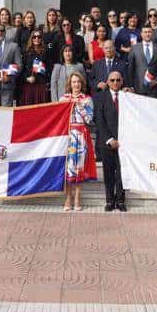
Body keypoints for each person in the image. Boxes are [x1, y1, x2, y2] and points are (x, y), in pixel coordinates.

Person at [62, 71, 96, 211]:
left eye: (78, 82)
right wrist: (70, 104)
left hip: (81, 135)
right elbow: (59, 118)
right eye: (74, 82)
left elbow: (89, 119)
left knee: (79, 167)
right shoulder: (63, 99)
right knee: (68, 168)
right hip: (68, 136)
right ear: (70, 84)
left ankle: (77, 198)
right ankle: (68, 198)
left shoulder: (87, 99)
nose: (76, 84)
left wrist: (79, 105)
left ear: (82, 84)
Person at [92, 70, 126, 211]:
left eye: (118, 80)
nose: (115, 83)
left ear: (122, 81)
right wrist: (109, 139)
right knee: (108, 172)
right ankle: (109, 201)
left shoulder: (127, 97)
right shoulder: (100, 97)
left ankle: (120, 201)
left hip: (123, 142)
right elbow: (99, 120)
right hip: (107, 142)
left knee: (121, 172)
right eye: (112, 80)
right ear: (107, 82)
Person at [127, 25, 157, 98]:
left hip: (155, 88)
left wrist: (156, 81)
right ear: (141, 34)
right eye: (145, 32)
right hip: (139, 87)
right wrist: (131, 85)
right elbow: (130, 68)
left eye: (149, 32)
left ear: (153, 33)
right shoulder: (134, 48)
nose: (147, 34)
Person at [18, 30, 50, 105]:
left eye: (39, 37)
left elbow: (48, 69)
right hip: (28, 85)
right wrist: (26, 78)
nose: (36, 39)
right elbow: (22, 70)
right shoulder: (26, 53)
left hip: (41, 85)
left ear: (41, 39)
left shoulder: (46, 52)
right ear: (31, 39)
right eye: (34, 37)